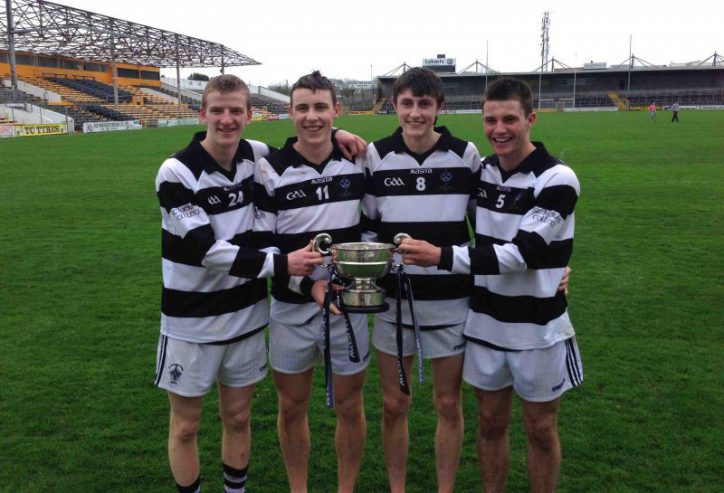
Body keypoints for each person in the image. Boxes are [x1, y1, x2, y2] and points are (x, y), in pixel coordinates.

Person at [154, 74, 363, 493]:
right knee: (186, 426)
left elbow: (305, 138)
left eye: (236, 111)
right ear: (202, 113)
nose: (226, 120)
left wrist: (337, 132)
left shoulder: (256, 155)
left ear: (250, 115)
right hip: (190, 319)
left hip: (247, 315)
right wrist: (284, 264)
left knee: (237, 418)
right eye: (218, 110)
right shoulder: (176, 172)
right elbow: (207, 251)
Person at [399, 77, 583, 493]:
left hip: (538, 328)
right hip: (485, 323)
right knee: (489, 423)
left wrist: (440, 257)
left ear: (531, 119)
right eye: (490, 120)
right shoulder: (481, 171)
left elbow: (521, 254)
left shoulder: (557, 178)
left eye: (509, 119)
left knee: (540, 428)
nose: (499, 129)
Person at [360, 67, 481, 493]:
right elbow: (368, 227)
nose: (415, 114)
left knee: (448, 403)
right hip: (393, 305)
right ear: (395, 105)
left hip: (450, 303)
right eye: (407, 104)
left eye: (424, 104)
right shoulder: (376, 154)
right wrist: (376, 260)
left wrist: (551, 267)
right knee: (395, 404)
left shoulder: (465, 155)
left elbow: (487, 230)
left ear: (439, 107)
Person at [253, 71, 369, 493]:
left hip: (348, 303)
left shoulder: (358, 160)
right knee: (291, 407)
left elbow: (375, 225)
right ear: (290, 112)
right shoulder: (270, 168)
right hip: (290, 307)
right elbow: (263, 245)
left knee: (350, 406)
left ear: (336, 110)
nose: (312, 116)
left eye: (321, 107)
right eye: (302, 108)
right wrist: (307, 285)